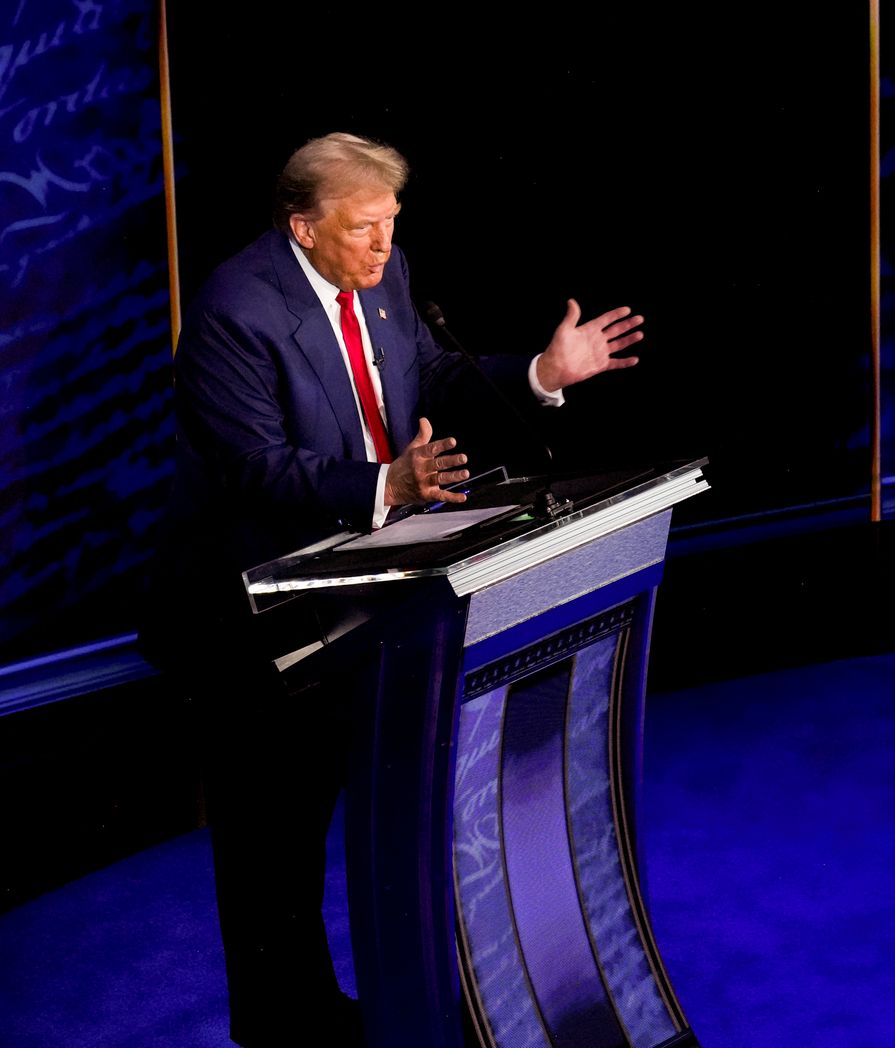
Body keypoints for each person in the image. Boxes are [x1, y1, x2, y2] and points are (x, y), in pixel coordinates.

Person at [159, 132, 646, 1047]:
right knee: (275, 839)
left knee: (372, 802)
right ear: (303, 227)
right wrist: (390, 484)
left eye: (391, 224)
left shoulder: (383, 274)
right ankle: (281, 1025)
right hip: (259, 615)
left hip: (369, 592)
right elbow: (255, 468)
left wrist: (542, 375)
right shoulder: (234, 310)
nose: (383, 248)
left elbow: (433, 377)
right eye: (363, 229)